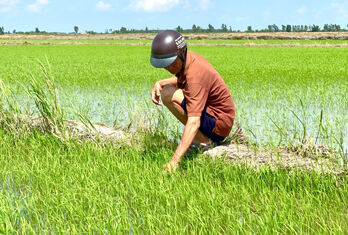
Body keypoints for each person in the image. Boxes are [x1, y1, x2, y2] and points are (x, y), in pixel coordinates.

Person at [150, 30, 235, 172]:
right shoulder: (190, 59)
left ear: (182, 53)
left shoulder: (196, 76)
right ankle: (200, 139)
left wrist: (174, 161)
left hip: (218, 124)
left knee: (168, 93)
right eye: (165, 65)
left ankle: (203, 141)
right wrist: (161, 82)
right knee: (167, 88)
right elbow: (182, 79)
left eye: (171, 64)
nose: (168, 68)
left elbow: (194, 120)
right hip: (215, 117)